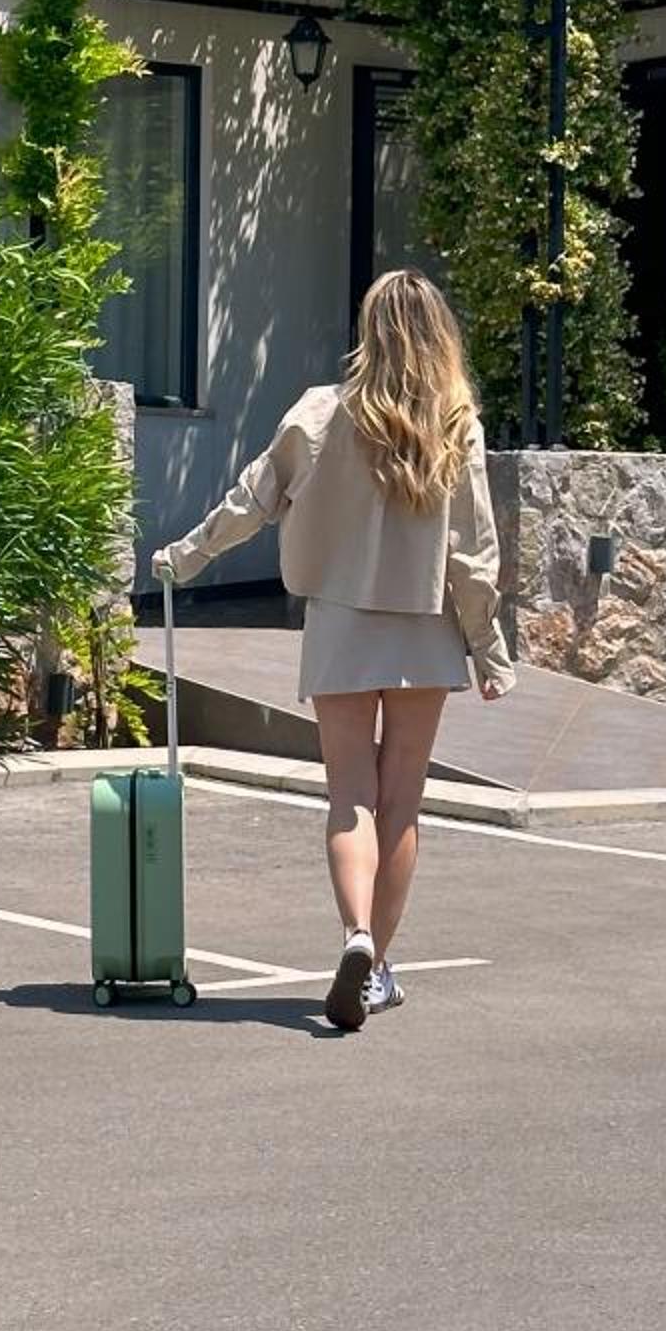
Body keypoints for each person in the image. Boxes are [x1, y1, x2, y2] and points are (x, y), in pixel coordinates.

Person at [152, 269, 513, 1034]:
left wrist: (184, 558)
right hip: (425, 629)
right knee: (401, 801)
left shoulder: (321, 412)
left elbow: (252, 499)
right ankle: (378, 969)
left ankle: (354, 935)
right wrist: (488, 649)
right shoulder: (456, 422)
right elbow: (473, 554)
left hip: (341, 626)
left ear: (369, 332)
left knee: (349, 793)